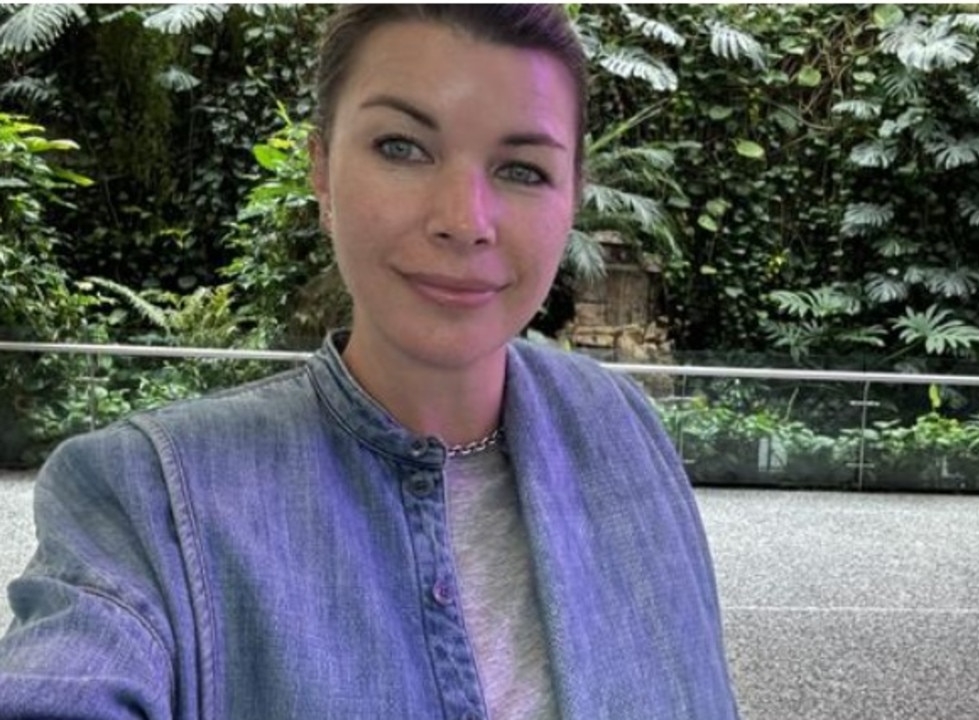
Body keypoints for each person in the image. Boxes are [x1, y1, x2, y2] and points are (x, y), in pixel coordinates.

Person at [0, 6, 740, 719]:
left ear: (573, 196)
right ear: (322, 172)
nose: (463, 220)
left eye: (521, 170)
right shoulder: (150, 500)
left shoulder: (622, 428)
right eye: (402, 147)